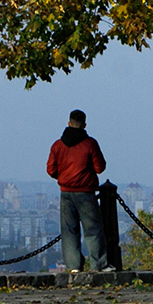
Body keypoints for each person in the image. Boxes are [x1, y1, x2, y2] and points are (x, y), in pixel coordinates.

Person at [46, 110, 107, 272]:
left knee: (69, 231)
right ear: (84, 125)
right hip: (86, 192)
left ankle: (73, 266)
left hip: (65, 193)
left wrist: (65, 176)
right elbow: (100, 168)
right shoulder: (90, 144)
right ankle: (98, 265)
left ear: (69, 123)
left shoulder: (57, 146)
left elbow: (51, 170)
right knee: (93, 230)